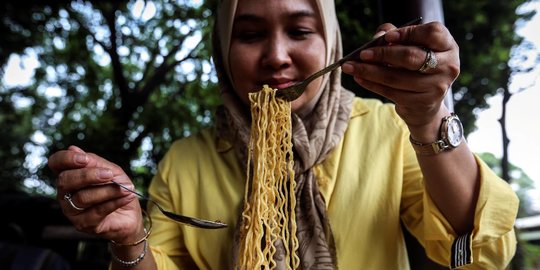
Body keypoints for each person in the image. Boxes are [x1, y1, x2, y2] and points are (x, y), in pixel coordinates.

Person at [48, 0, 519, 269]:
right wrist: (131, 239)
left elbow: (479, 253)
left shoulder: (387, 129)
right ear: (222, 50)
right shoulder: (187, 160)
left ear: (330, 41)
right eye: (250, 35)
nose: (276, 56)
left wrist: (427, 119)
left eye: (299, 30)